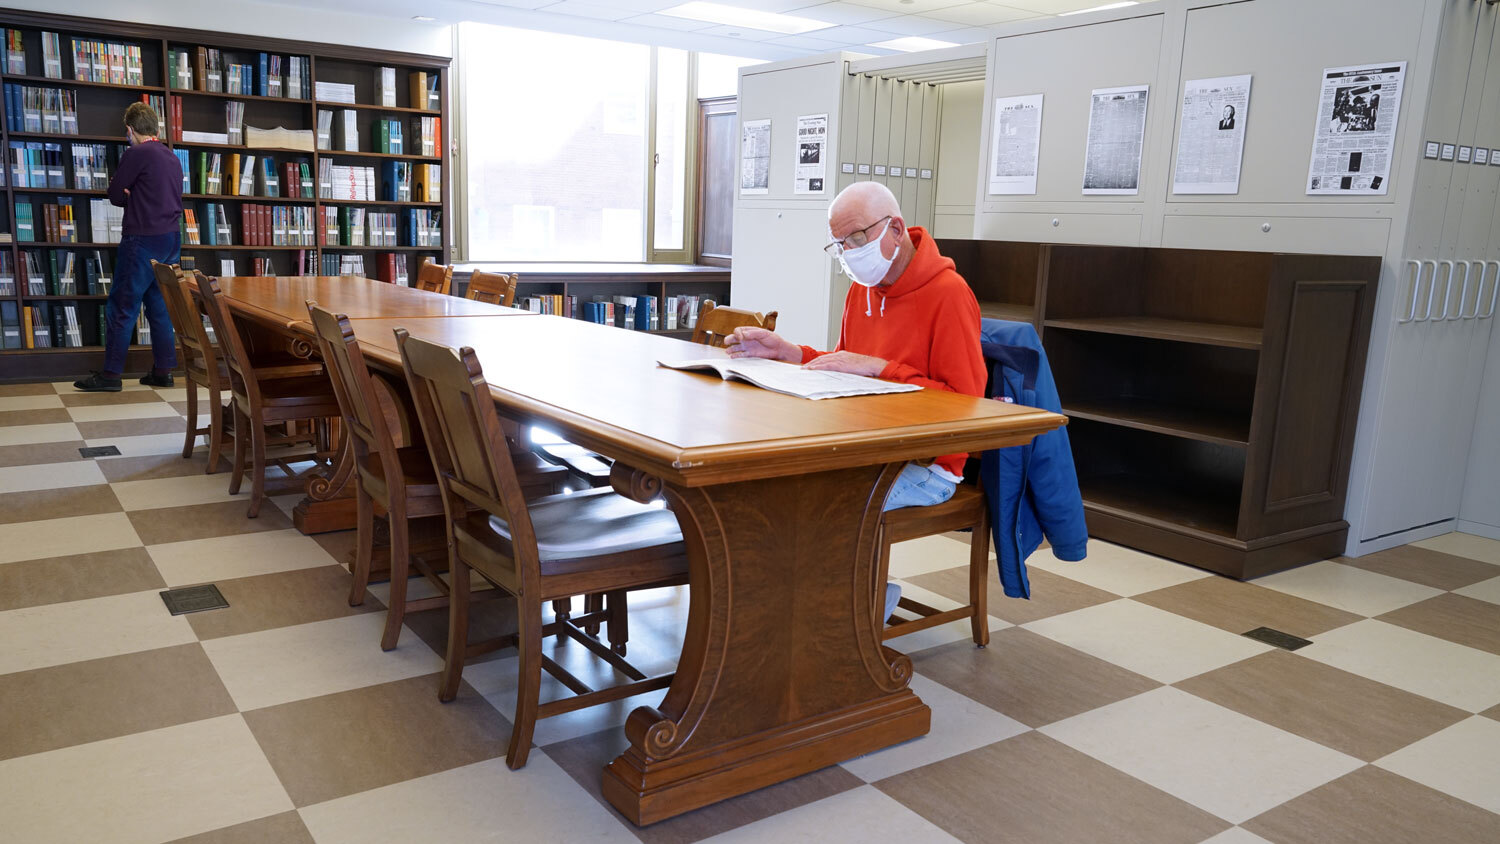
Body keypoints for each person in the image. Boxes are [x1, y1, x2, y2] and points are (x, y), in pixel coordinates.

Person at [724, 181, 985, 623]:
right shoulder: (862, 288)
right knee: (772, 490)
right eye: (839, 243)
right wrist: (790, 353)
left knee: (818, 508)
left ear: (896, 229)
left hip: (928, 466)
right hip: (863, 451)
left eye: (857, 238)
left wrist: (881, 368)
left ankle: (852, 618)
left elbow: (967, 406)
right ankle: (796, 614)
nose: (848, 252)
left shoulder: (949, 293)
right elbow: (847, 367)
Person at [74, 102, 183, 392]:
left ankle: (110, 375)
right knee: (159, 307)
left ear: (130, 130)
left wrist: (128, 194)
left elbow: (114, 194)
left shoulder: (136, 153)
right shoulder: (172, 158)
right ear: (157, 128)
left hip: (142, 239)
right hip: (171, 240)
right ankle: (163, 371)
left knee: (123, 305)